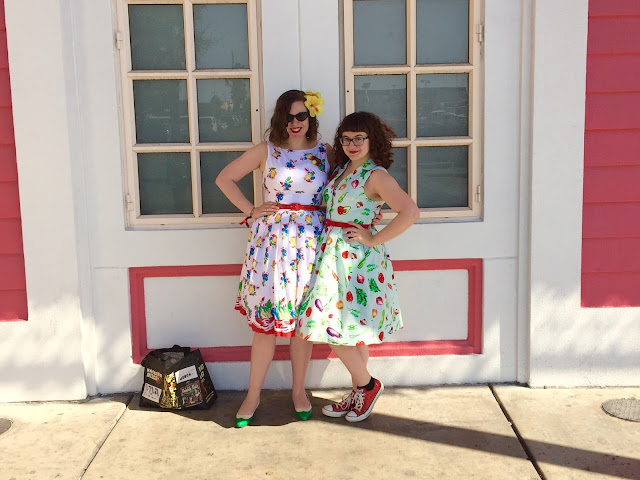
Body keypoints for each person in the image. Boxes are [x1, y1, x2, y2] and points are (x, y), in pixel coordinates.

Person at [215, 89, 329, 427]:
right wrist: (251, 210)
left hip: (311, 245)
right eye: (287, 117)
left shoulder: (326, 152)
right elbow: (224, 179)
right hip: (273, 246)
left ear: (311, 116)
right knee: (266, 324)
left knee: (301, 325)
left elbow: (351, 186)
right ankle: (253, 395)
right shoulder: (266, 150)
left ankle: (298, 391)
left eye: (301, 116)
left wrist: (368, 213)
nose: (294, 123)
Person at [297, 111, 420, 423]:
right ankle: (358, 392)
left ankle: (367, 386)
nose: (352, 144)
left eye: (359, 138)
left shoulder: (376, 175)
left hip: (356, 261)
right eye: (346, 139)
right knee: (351, 332)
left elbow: (410, 211)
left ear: (371, 140)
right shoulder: (342, 170)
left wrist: (373, 237)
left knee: (331, 325)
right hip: (332, 254)